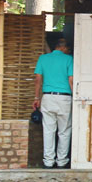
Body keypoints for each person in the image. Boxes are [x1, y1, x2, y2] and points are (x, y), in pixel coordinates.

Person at [32, 38, 74, 169]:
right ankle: (61, 161)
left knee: (48, 130)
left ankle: (48, 162)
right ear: (63, 47)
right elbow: (71, 80)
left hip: (48, 97)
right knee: (64, 131)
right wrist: (76, 96)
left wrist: (37, 97)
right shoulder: (69, 59)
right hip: (64, 98)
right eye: (68, 49)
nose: (68, 51)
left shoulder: (43, 58)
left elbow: (38, 79)